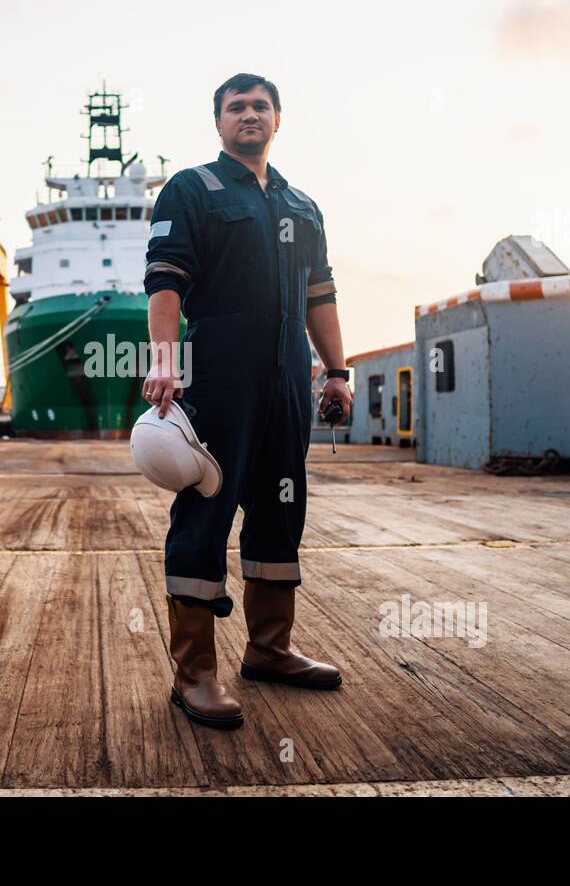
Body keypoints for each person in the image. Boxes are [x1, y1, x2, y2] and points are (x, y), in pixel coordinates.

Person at [142, 73, 352, 729]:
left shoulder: (303, 206)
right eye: (236, 107)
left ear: (279, 120)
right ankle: (195, 674)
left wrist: (337, 371)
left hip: (289, 376)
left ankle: (270, 648)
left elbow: (321, 294)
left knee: (281, 509)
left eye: (261, 106)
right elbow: (165, 282)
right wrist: (165, 365)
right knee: (205, 515)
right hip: (219, 377)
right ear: (219, 123)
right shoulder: (192, 189)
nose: (249, 115)